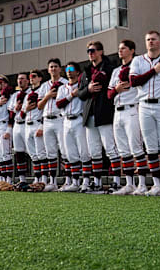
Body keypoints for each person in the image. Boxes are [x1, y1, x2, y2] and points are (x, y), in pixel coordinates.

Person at [130, 31, 160, 197]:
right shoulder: (138, 60)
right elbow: (134, 81)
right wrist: (154, 70)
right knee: (150, 147)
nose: (150, 42)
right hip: (144, 105)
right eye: (148, 39)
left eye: (154, 39)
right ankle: (157, 185)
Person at [77, 40, 119, 193]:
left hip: (105, 112)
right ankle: (97, 182)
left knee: (110, 148)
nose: (90, 53)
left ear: (101, 51)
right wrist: (88, 89)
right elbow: (80, 94)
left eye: (93, 50)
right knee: (94, 151)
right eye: (88, 51)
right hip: (90, 115)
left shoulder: (110, 68)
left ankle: (117, 181)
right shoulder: (85, 72)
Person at [108, 40, 146, 195]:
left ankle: (142, 184)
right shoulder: (116, 71)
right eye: (119, 48)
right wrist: (116, 89)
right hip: (118, 111)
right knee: (123, 150)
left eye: (123, 48)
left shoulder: (138, 65)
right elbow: (109, 94)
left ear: (132, 50)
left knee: (136, 147)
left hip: (132, 108)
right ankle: (129, 183)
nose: (120, 51)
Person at [56, 62, 89, 192]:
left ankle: (86, 181)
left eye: (71, 69)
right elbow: (58, 104)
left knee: (84, 152)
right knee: (71, 153)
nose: (69, 71)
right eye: (67, 69)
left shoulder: (82, 85)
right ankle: (75, 182)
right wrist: (71, 95)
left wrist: (78, 93)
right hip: (66, 120)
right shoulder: (62, 88)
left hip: (79, 118)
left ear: (77, 72)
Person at [38, 59, 68, 190]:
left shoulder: (65, 83)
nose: (53, 69)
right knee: (50, 152)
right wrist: (47, 96)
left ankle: (69, 180)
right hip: (47, 120)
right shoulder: (45, 86)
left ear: (60, 69)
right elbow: (39, 106)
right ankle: (52, 182)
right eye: (51, 67)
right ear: (48, 69)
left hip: (60, 119)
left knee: (65, 150)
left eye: (56, 66)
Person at [23, 69, 48, 186]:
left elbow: (46, 109)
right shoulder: (27, 93)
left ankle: (44, 179)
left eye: (34, 76)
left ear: (40, 78)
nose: (31, 78)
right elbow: (23, 112)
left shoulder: (43, 90)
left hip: (38, 123)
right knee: (33, 154)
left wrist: (42, 126)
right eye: (30, 76)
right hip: (28, 124)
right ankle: (37, 178)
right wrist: (26, 108)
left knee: (41, 153)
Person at [0, 75, 15, 184]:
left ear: (6, 83)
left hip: (4, 125)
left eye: (1, 82)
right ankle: (2, 179)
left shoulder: (10, 96)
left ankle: (8, 180)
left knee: (6, 154)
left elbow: (11, 114)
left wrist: (9, 130)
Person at [9, 73, 30, 185]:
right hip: (17, 124)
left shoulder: (31, 92)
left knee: (32, 152)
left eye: (22, 78)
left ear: (27, 81)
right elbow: (11, 111)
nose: (20, 81)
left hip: (28, 123)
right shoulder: (15, 95)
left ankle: (39, 178)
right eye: (18, 79)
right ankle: (22, 179)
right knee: (19, 152)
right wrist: (16, 108)